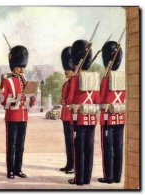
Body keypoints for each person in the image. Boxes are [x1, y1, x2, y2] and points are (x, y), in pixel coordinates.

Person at [66, 40, 100, 185]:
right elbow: (97, 100)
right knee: (89, 150)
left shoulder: (74, 78)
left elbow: (69, 100)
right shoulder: (95, 77)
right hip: (92, 119)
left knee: (79, 150)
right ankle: (87, 178)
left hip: (79, 119)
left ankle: (79, 179)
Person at [0, 45, 35, 179]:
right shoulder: (6, 80)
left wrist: (32, 98)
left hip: (23, 117)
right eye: (20, 67)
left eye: (23, 67)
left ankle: (18, 169)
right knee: (12, 146)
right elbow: (2, 99)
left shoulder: (25, 81)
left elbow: (31, 99)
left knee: (21, 145)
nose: (22, 69)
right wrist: (15, 100)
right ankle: (10, 171)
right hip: (12, 116)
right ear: (14, 66)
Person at [98, 41, 125, 184]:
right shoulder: (123, 78)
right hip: (120, 118)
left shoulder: (105, 79)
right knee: (118, 148)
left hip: (108, 118)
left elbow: (100, 99)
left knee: (108, 148)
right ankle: (117, 176)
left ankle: (108, 177)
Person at [59, 46, 75, 174]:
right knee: (68, 142)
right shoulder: (66, 83)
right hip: (65, 116)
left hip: (72, 116)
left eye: (68, 70)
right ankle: (69, 164)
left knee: (73, 143)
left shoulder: (74, 82)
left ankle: (73, 165)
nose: (66, 72)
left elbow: (70, 100)